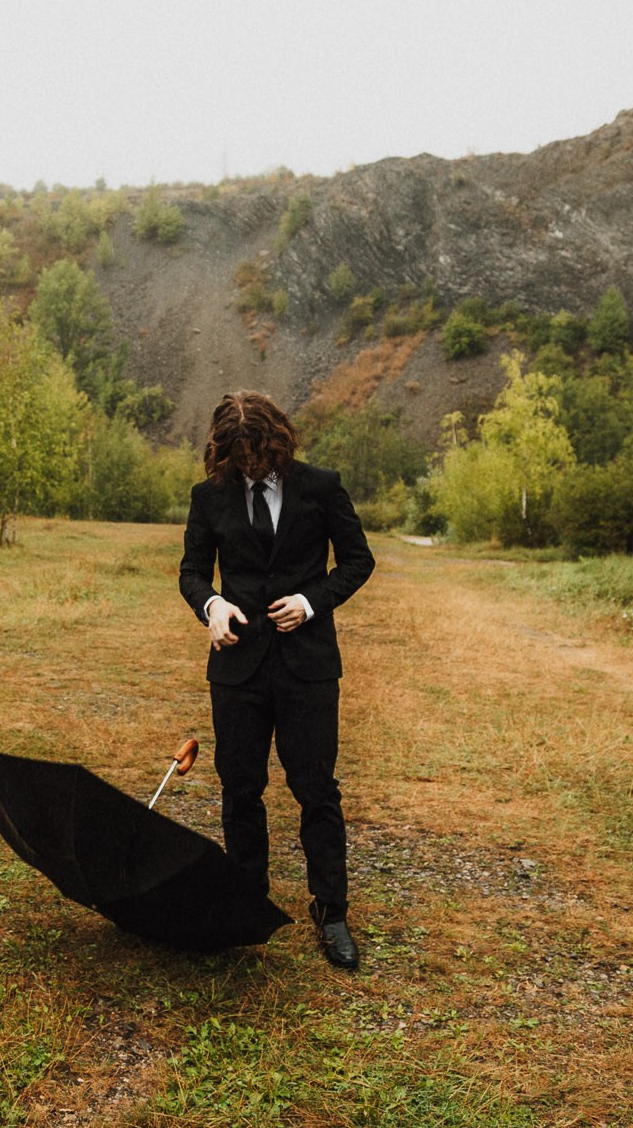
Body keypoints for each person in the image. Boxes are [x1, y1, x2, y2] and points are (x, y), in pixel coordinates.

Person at [178, 390, 375, 969]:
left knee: (316, 789)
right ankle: (246, 903)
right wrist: (211, 606)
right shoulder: (208, 497)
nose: (251, 466)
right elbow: (192, 571)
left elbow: (359, 560)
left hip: (308, 667)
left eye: (258, 454)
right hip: (237, 668)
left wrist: (313, 602)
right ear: (223, 453)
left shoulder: (321, 486)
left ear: (278, 441)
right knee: (240, 788)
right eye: (239, 457)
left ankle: (331, 911)